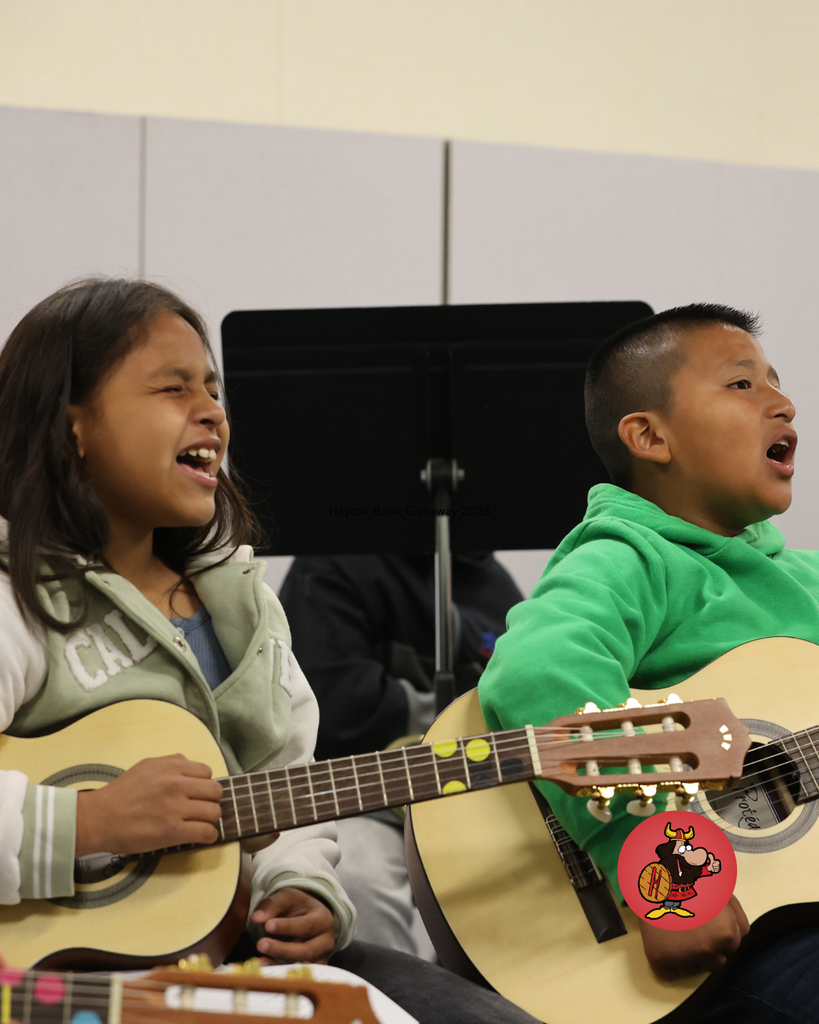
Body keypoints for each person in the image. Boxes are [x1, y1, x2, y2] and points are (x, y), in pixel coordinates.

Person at [0, 277, 542, 1024]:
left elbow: (285, 790)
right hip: (60, 977)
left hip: (237, 952)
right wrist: (92, 824)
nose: (212, 411)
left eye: (213, 389)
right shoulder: (16, 595)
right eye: (171, 388)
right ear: (72, 427)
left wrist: (296, 887)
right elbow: (104, 822)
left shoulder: (242, 604)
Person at [479, 302, 819, 1022]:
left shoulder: (806, 583)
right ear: (648, 435)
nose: (782, 402)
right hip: (716, 938)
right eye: (740, 385)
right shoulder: (629, 558)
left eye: (776, 383)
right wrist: (658, 866)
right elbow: (536, 676)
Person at [279, 552, 522, 956]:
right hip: (358, 804)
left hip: (481, 803)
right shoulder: (332, 564)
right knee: (356, 879)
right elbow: (335, 707)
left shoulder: (497, 588)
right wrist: (463, 717)